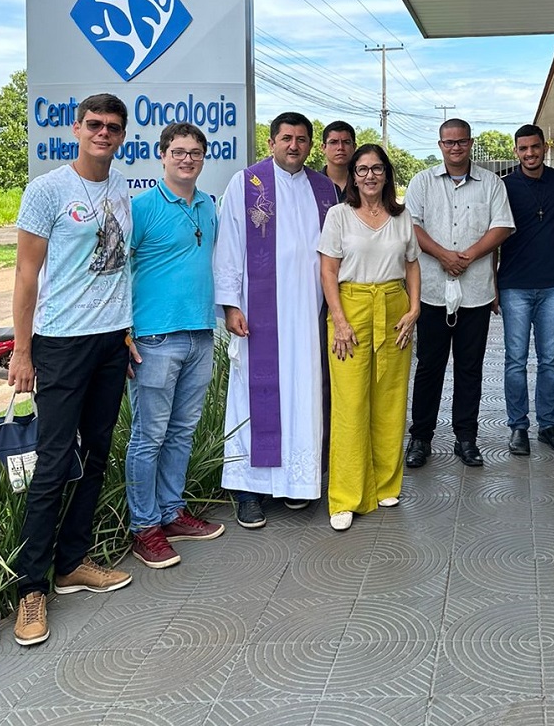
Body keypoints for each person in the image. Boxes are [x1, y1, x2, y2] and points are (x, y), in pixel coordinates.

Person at [8, 93, 134, 646]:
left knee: (97, 452)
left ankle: (73, 562)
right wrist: (22, 350)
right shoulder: (47, 190)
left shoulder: (122, 189)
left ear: (122, 135)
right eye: (94, 124)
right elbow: (26, 275)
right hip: (60, 343)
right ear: (77, 129)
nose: (103, 132)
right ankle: (31, 588)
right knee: (54, 462)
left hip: (111, 342)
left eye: (113, 126)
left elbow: (120, 268)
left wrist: (126, 330)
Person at [214, 112, 338, 528]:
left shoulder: (325, 189)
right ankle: (248, 490)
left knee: (304, 394)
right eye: (286, 138)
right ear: (271, 143)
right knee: (254, 395)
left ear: (311, 146)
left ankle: (295, 484)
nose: (294, 146)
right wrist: (230, 304)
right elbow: (229, 245)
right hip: (259, 313)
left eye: (302, 139)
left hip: (309, 313)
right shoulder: (247, 183)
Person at [125, 123, 224, 570]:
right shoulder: (141, 208)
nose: (187, 159)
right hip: (154, 338)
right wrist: (123, 331)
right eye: (179, 151)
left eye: (195, 152)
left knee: (182, 431)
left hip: (200, 332)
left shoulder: (208, 206)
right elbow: (115, 271)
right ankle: (144, 527)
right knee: (149, 436)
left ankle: (171, 512)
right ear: (162, 155)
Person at [319, 144, 420, 530]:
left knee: (390, 398)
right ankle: (346, 496)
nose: (370, 176)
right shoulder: (339, 215)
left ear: (387, 173)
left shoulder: (401, 215)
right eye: (362, 169)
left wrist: (414, 308)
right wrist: (339, 320)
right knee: (350, 402)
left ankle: (385, 483)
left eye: (377, 168)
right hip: (352, 308)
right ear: (353, 176)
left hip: (394, 308)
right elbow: (328, 271)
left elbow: (412, 264)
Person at [403, 118, 515, 469]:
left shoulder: (491, 183)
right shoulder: (422, 182)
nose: (455, 147)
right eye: (449, 142)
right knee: (428, 368)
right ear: (440, 145)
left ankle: (466, 438)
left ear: (470, 143)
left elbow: (502, 226)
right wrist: (443, 255)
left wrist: (466, 256)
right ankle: (420, 438)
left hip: (475, 292)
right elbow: (411, 225)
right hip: (432, 291)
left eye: (461, 141)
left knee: (470, 369)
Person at [496, 124, 554, 456]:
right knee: (515, 361)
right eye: (523, 148)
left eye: (535, 147)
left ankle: (548, 426)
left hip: (553, 285)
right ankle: (518, 427)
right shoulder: (504, 186)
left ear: (545, 147)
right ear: (516, 151)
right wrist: (492, 285)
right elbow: (493, 234)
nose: (530, 153)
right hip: (514, 285)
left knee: (550, 360)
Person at [321, 121, 356, 202]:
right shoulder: (312, 183)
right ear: (323, 148)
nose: (340, 147)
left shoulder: (363, 183)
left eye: (346, 142)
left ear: (354, 147)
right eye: (333, 142)